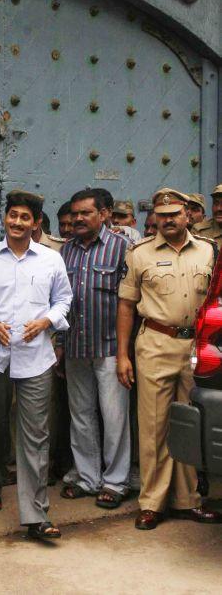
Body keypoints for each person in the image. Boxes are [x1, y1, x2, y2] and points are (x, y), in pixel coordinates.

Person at [0, 190, 71, 540]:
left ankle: (36, 515)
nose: (17, 222)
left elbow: (64, 298)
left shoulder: (51, 260)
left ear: (36, 223)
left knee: (36, 434)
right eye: (13, 216)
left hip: (36, 357)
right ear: (5, 218)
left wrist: (48, 321)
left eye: (25, 217)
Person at [117, 188, 221, 530]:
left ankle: (189, 499)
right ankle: (152, 502)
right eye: (162, 215)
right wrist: (122, 354)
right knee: (154, 426)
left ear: (188, 214)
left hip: (196, 348)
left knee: (193, 424)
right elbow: (126, 305)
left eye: (175, 213)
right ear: (155, 219)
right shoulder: (140, 253)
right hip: (156, 343)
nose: (169, 220)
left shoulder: (208, 251)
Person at [57, 189, 130, 508]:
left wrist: (128, 352)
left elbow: (131, 303)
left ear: (105, 215)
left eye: (85, 213)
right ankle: (88, 478)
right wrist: (60, 344)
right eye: (75, 214)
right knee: (81, 416)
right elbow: (58, 302)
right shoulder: (65, 252)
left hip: (111, 347)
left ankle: (116, 482)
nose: (78, 219)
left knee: (114, 417)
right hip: (75, 346)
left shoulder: (123, 249)